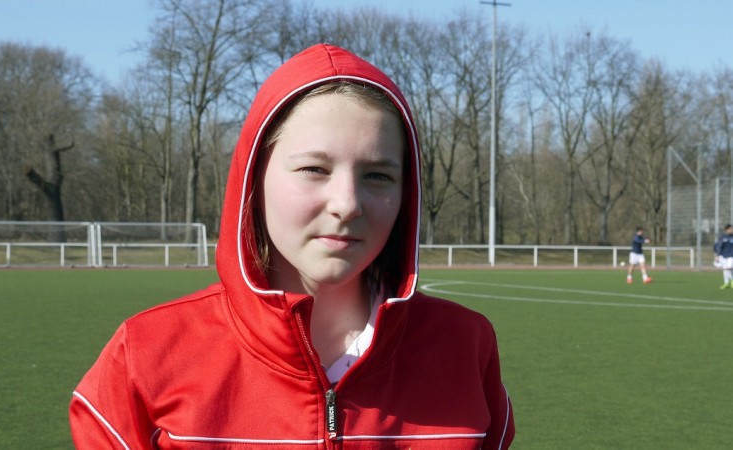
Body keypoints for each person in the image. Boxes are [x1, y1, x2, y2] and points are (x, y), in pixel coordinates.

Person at [69, 43, 514, 449]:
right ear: (253, 177)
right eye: (314, 169)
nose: (347, 204)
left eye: (378, 175)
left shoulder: (465, 347)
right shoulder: (145, 355)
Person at [713, 224, 733, 289]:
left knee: (728, 268)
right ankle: (726, 283)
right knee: (725, 270)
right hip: (723, 256)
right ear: (726, 230)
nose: (731, 230)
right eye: (730, 229)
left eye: (732, 229)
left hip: (731, 256)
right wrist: (717, 255)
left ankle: (732, 281)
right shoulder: (722, 237)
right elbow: (718, 246)